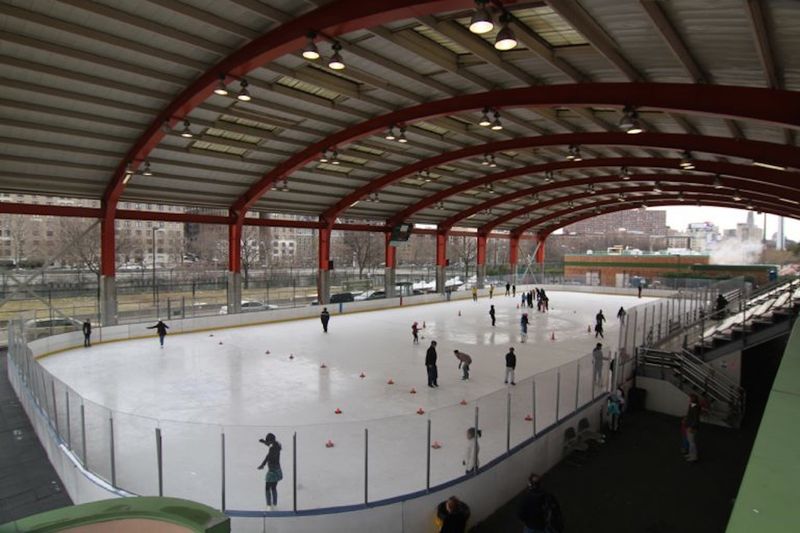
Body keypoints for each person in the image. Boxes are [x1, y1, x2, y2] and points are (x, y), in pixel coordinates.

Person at [257, 433, 283, 508]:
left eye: (268, 441)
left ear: (271, 440)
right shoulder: (277, 445)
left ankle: (269, 505)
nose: (268, 443)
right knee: (273, 487)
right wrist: (264, 442)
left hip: (272, 471)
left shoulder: (273, 449)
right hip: (277, 470)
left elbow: (267, 457)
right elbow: (269, 444)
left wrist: (262, 465)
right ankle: (274, 504)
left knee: (267, 487)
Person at [685, 393, 701, 462]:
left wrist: (692, 427)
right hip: (689, 425)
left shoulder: (695, 406)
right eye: (690, 397)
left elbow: (695, 418)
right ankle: (690, 454)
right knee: (690, 441)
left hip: (692, 426)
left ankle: (693, 456)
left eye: (691, 398)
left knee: (692, 442)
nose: (690, 399)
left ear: (694, 399)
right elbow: (690, 415)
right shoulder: (692, 405)